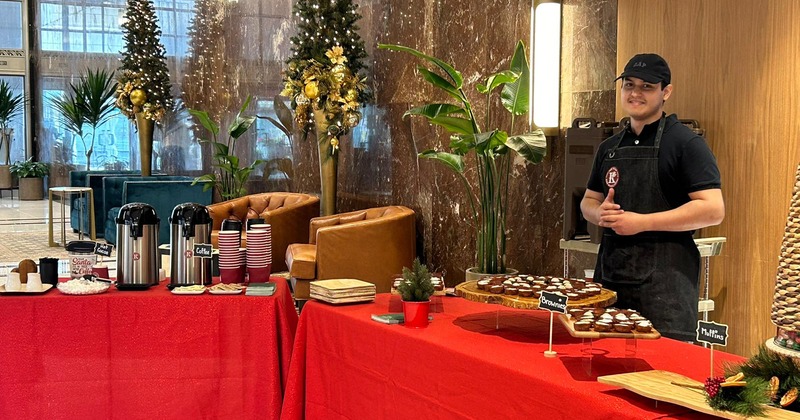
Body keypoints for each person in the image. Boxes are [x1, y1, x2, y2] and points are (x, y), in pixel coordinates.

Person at [580, 53, 725, 341]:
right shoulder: (609, 147)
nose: (635, 93)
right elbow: (588, 200)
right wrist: (599, 214)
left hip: (666, 292)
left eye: (646, 86)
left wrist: (642, 222)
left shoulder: (686, 143)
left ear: (665, 92)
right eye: (629, 85)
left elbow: (713, 209)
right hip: (610, 284)